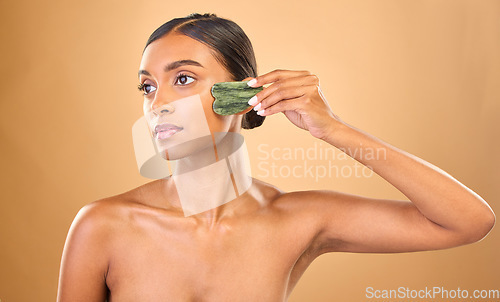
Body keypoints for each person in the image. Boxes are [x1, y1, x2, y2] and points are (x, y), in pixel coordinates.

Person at [56, 13, 495, 301]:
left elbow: (468, 221)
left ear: (241, 95)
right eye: (148, 87)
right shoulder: (103, 225)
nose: (157, 106)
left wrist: (334, 128)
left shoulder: (297, 220)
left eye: (183, 78)